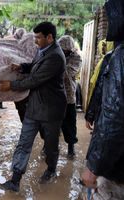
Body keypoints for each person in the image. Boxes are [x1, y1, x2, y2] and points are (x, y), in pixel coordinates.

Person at [0, 21, 67, 192]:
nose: (35, 40)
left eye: (38, 37)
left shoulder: (56, 56)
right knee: (24, 142)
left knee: (50, 145)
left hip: (51, 109)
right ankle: (15, 180)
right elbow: (35, 68)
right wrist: (21, 66)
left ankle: (51, 169)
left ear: (49, 37)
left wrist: (12, 85)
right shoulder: (42, 50)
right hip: (35, 106)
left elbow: (35, 80)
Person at [81, 0, 124, 198]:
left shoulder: (120, 57)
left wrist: (94, 165)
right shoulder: (112, 56)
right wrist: (90, 112)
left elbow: (114, 115)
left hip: (116, 167)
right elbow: (98, 88)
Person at [57, 35, 82, 159]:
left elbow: (69, 72)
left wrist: (57, 65)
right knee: (54, 122)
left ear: (69, 48)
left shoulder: (76, 58)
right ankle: (49, 146)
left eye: (64, 49)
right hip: (55, 96)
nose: (62, 50)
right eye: (60, 48)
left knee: (70, 123)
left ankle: (71, 147)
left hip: (69, 97)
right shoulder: (56, 56)